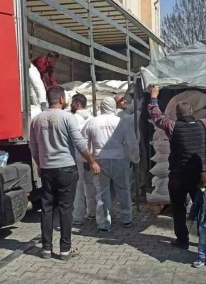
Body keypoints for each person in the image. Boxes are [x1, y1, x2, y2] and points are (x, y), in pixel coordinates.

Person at [29, 86, 101, 260]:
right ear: (61, 99)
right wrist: (91, 161)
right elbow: (79, 142)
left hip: (47, 169)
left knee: (46, 209)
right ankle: (65, 250)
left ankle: (46, 249)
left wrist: (40, 164)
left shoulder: (36, 120)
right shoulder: (67, 117)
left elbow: (33, 147)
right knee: (65, 209)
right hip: (66, 168)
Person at [148, 85, 206, 249]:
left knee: (179, 209)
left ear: (177, 115)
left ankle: (182, 240)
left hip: (178, 175)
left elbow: (156, 115)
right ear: (193, 112)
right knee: (201, 208)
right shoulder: (203, 125)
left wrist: (154, 95)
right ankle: (204, 239)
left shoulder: (173, 126)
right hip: (199, 175)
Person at [82, 97, 140, 231]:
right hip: (120, 160)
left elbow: (83, 143)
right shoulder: (122, 122)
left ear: (101, 106)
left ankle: (103, 223)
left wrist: (86, 160)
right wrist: (134, 159)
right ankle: (127, 219)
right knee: (124, 189)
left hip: (99, 161)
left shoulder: (92, 122)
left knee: (102, 192)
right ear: (114, 106)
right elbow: (132, 143)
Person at [70, 94, 97, 225]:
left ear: (76, 104)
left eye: (72, 103)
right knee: (90, 184)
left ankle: (77, 216)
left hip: (77, 155)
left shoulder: (72, 118)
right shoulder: (92, 119)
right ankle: (92, 212)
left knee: (78, 186)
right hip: (90, 155)